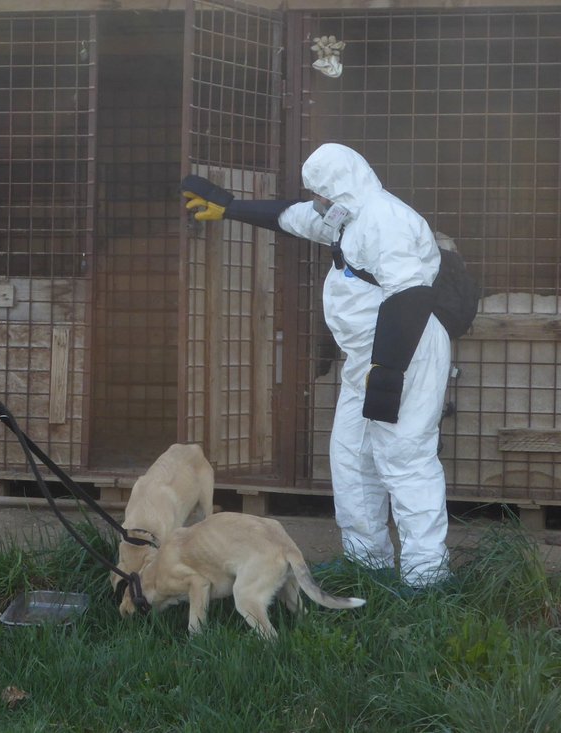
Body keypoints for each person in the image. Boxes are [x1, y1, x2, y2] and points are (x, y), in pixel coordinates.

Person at [181, 143, 452, 590]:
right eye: (317, 194)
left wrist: (386, 374)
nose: (318, 202)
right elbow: (291, 216)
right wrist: (230, 207)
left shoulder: (389, 222)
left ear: (342, 188)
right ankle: (368, 564)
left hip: (407, 356)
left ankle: (428, 579)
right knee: (351, 456)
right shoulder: (341, 215)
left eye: (323, 194)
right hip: (369, 360)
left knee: (404, 458)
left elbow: (410, 299)